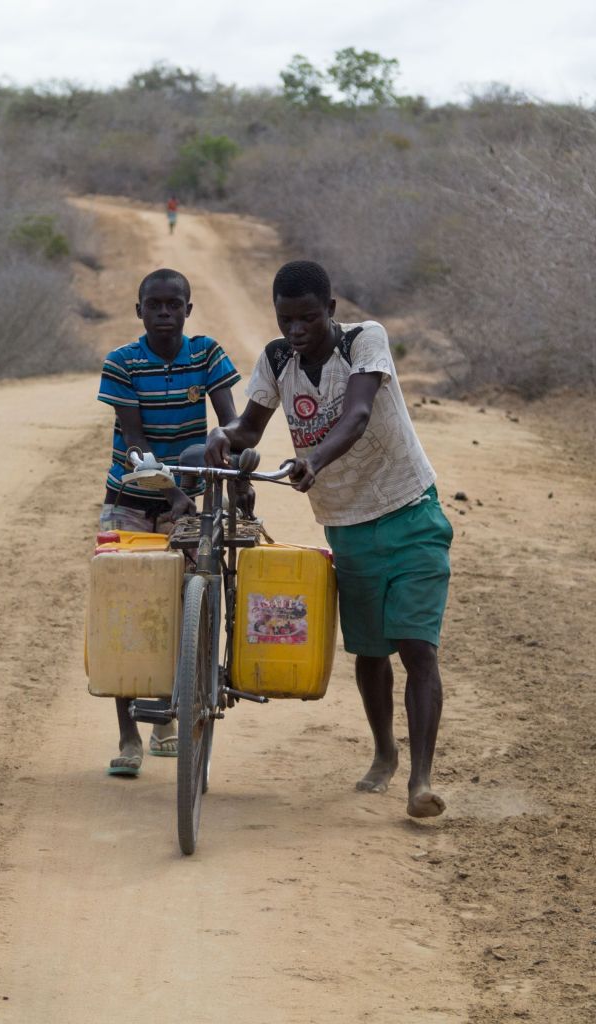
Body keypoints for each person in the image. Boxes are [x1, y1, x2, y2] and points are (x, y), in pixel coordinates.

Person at [205, 261, 453, 817]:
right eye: (286, 319)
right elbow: (250, 427)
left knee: (416, 647)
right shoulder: (276, 361)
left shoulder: (365, 342)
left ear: (332, 311)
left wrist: (312, 458)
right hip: (345, 525)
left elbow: (359, 414)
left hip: (411, 512)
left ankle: (420, 781)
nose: (296, 331)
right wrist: (223, 438)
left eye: (308, 319)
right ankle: (385, 753)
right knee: (368, 652)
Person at [98, 267, 241, 776]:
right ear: (139, 311)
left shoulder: (206, 354)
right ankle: (128, 737)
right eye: (154, 305)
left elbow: (229, 425)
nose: (164, 312)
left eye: (173, 304)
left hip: (187, 504)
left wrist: (234, 461)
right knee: (124, 612)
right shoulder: (122, 363)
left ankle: (167, 717)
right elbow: (133, 439)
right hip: (131, 498)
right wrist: (176, 488)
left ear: (188, 310)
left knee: (182, 607)